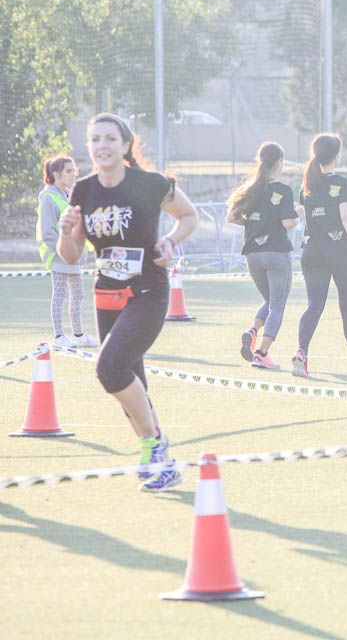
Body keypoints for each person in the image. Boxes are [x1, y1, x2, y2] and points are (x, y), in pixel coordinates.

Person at [56, 113, 198, 492]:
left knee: (110, 368)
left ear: (124, 145)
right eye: (95, 139)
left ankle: (155, 444)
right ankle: (162, 464)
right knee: (130, 386)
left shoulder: (149, 184)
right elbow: (71, 255)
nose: (102, 146)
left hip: (148, 290)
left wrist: (170, 240)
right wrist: (65, 233)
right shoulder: (83, 190)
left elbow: (189, 216)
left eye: (109, 139)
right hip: (107, 293)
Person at [291, 133, 347, 378]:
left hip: (312, 252)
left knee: (314, 305)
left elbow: (305, 217)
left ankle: (301, 351)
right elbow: (346, 216)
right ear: (337, 156)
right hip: (341, 253)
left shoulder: (307, 185)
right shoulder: (342, 183)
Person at [226, 142, 298, 370]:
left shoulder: (250, 188)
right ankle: (262, 353)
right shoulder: (283, 190)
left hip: (253, 254)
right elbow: (288, 223)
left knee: (269, 301)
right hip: (276, 253)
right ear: (280, 163)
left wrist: (254, 224)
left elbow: (232, 217)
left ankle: (252, 331)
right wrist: (300, 215)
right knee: (277, 305)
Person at [37, 156, 99, 350]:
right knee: (59, 295)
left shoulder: (69, 195)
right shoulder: (48, 198)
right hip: (59, 257)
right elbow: (47, 232)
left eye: (74, 171)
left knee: (78, 294)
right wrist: (64, 250)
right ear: (56, 174)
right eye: (69, 171)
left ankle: (78, 335)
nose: (74, 175)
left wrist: (79, 250)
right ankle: (59, 336)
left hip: (73, 257)